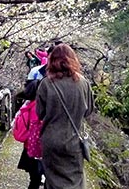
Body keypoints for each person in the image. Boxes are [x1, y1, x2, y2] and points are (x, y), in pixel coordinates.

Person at [35, 44, 95, 189]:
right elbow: (88, 111)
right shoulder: (83, 83)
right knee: (75, 179)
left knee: (52, 179)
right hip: (73, 139)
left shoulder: (46, 84)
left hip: (51, 140)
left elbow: (40, 113)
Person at [12, 79, 44, 189]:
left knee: (34, 179)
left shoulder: (28, 105)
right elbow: (37, 129)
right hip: (37, 150)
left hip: (28, 147)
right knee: (37, 180)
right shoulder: (37, 108)